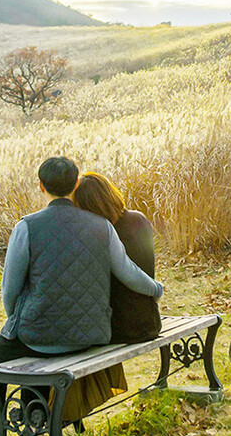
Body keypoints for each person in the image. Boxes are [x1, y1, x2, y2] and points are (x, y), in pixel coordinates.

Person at [0, 156, 163, 436]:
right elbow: (129, 273)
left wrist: (16, 322)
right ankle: (37, 427)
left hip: (39, 334)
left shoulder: (27, 226)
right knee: (34, 347)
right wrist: (156, 289)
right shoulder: (103, 227)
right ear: (77, 183)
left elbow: (10, 290)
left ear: (41, 186)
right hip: (91, 336)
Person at [61, 172, 163, 422]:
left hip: (114, 329)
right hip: (149, 323)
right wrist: (156, 289)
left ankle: (61, 414)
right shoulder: (139, 220)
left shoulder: (97, 234)